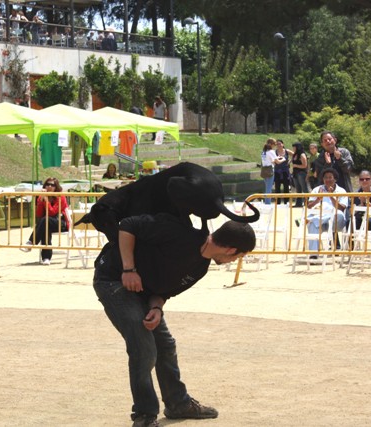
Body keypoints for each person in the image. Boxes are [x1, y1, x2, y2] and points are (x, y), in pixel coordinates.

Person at [93, 213, 256, 427]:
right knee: (144, 349)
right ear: (231, 250)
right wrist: (128, 269)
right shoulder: (182, 235)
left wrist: (156, 308)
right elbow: (128, 225)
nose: (234, 261)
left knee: (165, 345)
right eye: (238, 257)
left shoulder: (200, 267)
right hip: (113, 279)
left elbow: (163, 292)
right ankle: (144, 415)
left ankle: (178, 403)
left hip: (143, 294)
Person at [20, 177, 70, 265]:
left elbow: (52, 212)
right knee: (45, 226)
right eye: (47, 184)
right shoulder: (42, 196)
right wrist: (40, 200)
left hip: (61, 222)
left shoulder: (60, 197)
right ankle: (46, 258)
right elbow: (39, 214)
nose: (49, 186)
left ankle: (31, 242)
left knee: (45, 221)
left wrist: (46, 200)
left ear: (56, 187)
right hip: (48, 222)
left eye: (52, 185)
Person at [305, 168, 348, 258]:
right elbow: (309, 206)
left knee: (336, 214)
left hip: (336, 222)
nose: (328, 180)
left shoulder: (341, 191)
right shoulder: (317, 190)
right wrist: (318, 199)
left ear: (335, 179)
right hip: (321, 221)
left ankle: (314, 219)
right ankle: (313, 255)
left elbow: (342, 208)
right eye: (325, 178)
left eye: (330, 177)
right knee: (312, 224)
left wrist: (331, 196)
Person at [273, 140, 292, 204]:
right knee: (277, 187)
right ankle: (278, 202)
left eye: (280, 144)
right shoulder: (274, 152)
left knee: (286, 187)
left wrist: (289, 162)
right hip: (277, 171)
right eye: (277, 144)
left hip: (285, 171)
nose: (279, 145)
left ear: (283, 144)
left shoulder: (287, 151)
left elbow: (294, 155)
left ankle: (286, 202)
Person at [291, 142, 308, 207]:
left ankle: (307, 202)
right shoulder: (295, 155)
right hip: (295, 173)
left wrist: (296, 165)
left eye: (294, 147)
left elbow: (305, 165)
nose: (293, 148)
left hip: (301, 173)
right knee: (298, 189)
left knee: (304, 188)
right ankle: (298, 203)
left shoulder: (302, 155)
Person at [260, 138, 276, 205]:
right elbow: (275, 160)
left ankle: (266, 202)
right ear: (271, 144)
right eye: (274, 144)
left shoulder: (263, 152)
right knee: (269, 188)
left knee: (267, 187)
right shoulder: (271, 152)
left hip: (264, 170)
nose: (274, 146)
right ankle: (267, 203)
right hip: (270, 170)